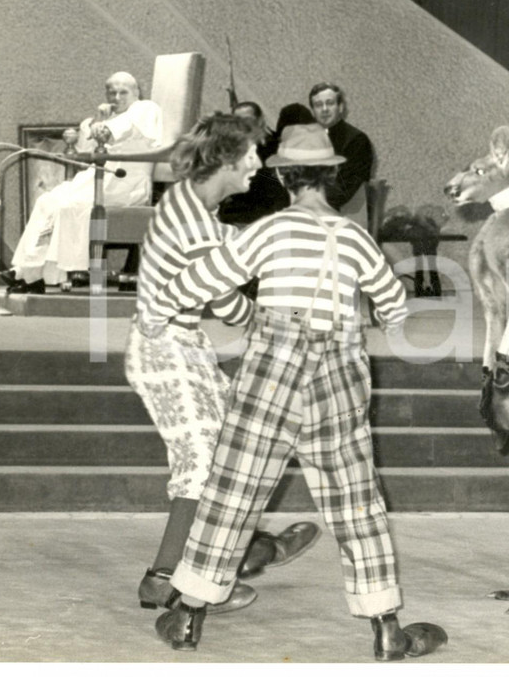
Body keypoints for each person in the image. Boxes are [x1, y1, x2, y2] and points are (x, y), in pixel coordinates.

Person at [137, 123, 447, 660]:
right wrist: (359, 314)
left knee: (234, 488)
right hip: (340, 370)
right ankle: (385, 628)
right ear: (332, 177)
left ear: (282, 176)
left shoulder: (270, 230)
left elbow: (200, 281)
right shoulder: (355, 238)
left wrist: (158, 312)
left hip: (272, 366)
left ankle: (188, 616)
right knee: (356, 498)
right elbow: (396, 306)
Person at [125, 113, 321, 617]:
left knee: (229, 453)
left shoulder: (190, 204)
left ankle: (248, 550)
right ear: (228, 161)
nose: (257, 165)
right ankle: (166, 581)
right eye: (251, 156)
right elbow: (228, 303)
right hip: (164, 351)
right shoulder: (195, 224)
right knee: (205, 465)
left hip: (181, 345)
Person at [4, 72, 163, 294]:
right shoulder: (106, 118)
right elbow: (84, 151)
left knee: (68, 207)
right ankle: (26, 272)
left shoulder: (145, 109)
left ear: (136, 93)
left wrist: (105, 127)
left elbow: (119, 130)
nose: (117, 97)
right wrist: (99, 121)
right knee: (46, 201)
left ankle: (45, 275)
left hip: (126, 185)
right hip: (96, 181)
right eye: (112, 92)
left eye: (123, 92)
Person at [218, 101, 314, 226]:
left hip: (269, 221)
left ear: (260, 121)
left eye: (248, 120)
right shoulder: (232, 153)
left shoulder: (277, 149)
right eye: (237, 121)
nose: (243, 126)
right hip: (237, 220)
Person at [308, 82, 374, 212]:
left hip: (342, 216)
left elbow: (343, 191)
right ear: (312, 111)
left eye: (330, 103)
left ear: (341, 107)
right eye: (318, 105)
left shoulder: (357, 140)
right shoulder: (303, 139)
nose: (324, 109)